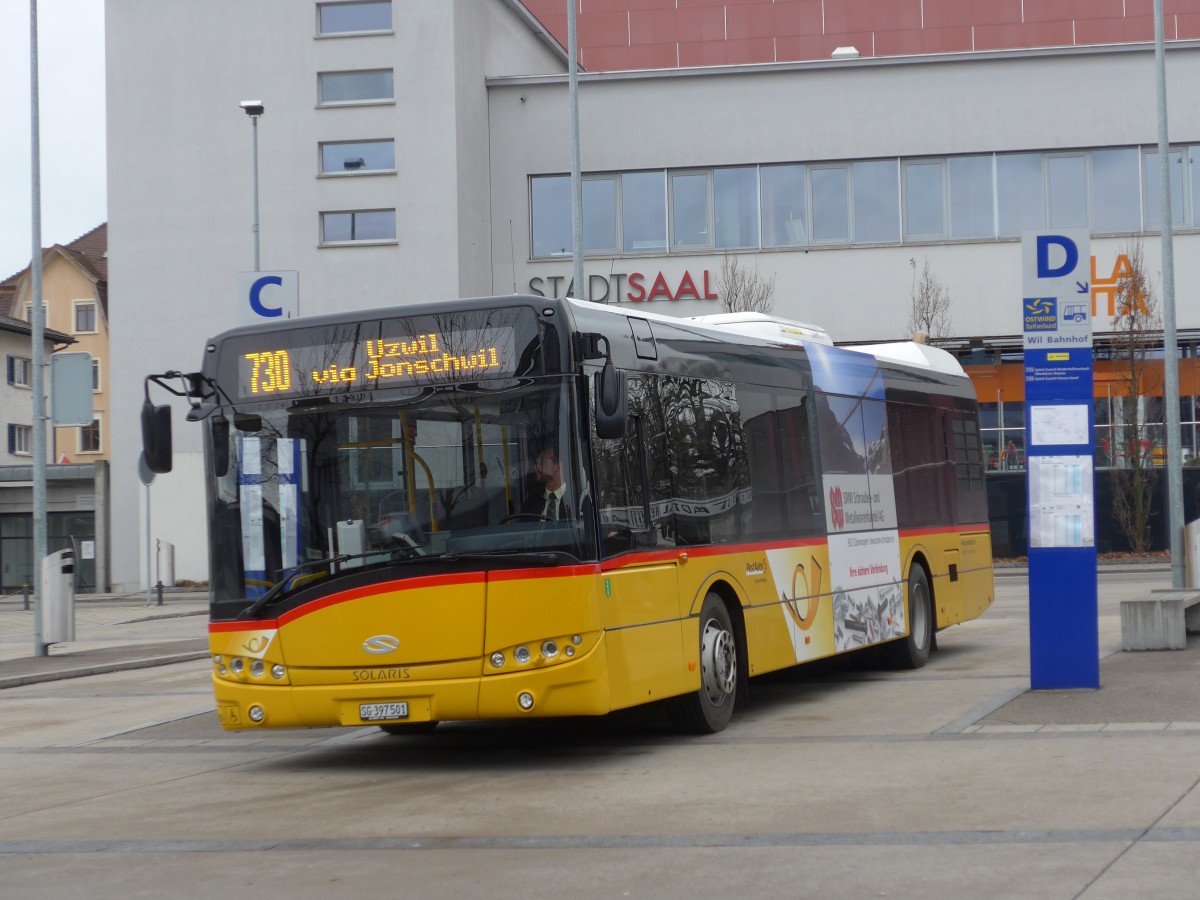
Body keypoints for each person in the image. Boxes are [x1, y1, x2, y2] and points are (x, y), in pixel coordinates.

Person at [528, 447, 569, 521]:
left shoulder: (575, 501)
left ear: (558, 467)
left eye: (542, 463)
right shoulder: (531, 503)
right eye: (537, 463)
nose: (536, 467)